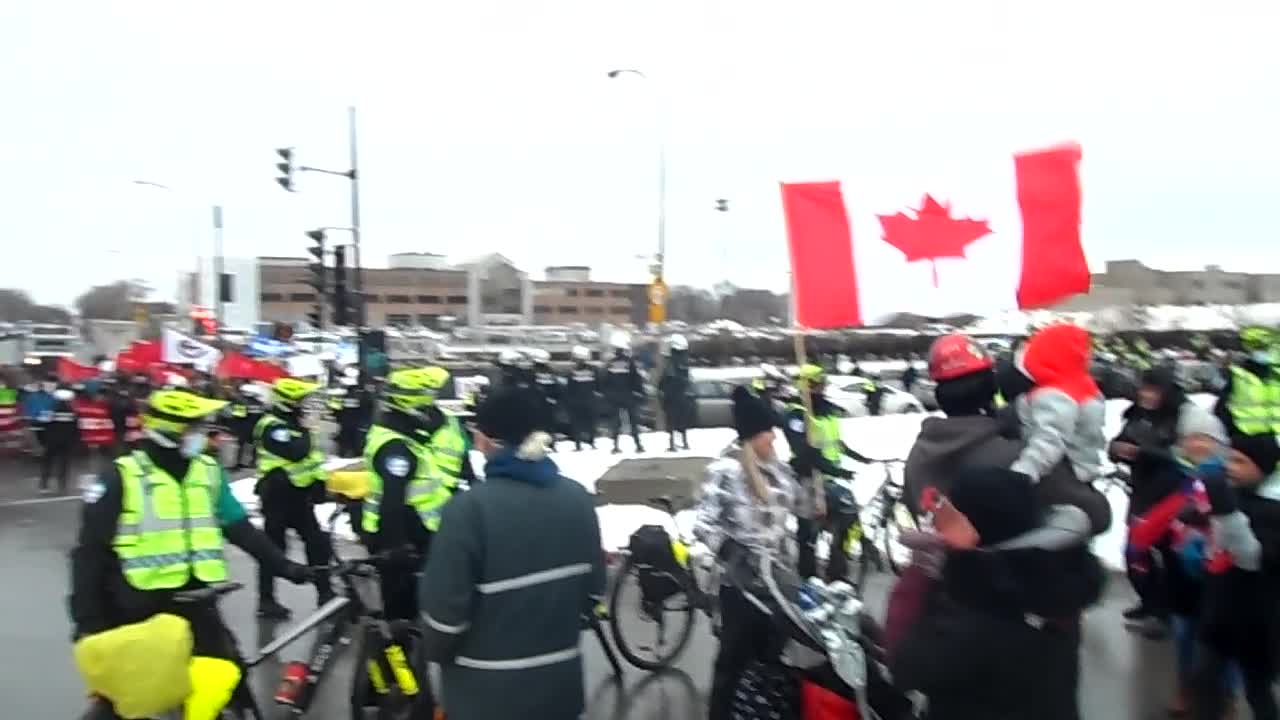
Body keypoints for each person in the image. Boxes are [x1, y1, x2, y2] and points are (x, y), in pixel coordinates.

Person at [68, 388, 310, 720]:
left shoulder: (207, 471)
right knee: (126, 698)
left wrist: (284, 567)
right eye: (196, 428)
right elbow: (89, 552)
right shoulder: (121, 477)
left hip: (197, 602)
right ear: (169, 431)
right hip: (139, 606)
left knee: (230, 678)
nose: (207, 435)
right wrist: (88, 619)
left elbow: (239, 527)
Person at [418, 385, 606, 720]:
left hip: (484, 696)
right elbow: (592, 594)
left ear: (488, 441)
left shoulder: (467, 511)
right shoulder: (577, 500)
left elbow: (444, 621)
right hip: (559, 692)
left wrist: (435, 650)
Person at [888, 466, 1105, 720]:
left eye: (951, 519)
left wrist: (918, 575)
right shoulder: (1054, 584)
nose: (941, 528)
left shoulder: (969, 620)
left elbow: (903, 666)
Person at [905, 334, 1111, 537]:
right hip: (1023, 569)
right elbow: (1097, 514)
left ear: (940, 395)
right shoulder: (1020, 457)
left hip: (948, 568)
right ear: (991, 388)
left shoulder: (918, 458)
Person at [693, 385, 796, 720]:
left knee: (769, 663)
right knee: (733, 664)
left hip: (776, 585)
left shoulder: (779, 471)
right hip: (738, 587)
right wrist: (730, 550)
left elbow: (801, 511)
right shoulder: (725, 471)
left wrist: (812, 477)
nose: (774, 440)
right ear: (753, 436)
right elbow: (703, 523)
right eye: (769, 433)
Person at [1109, 365, 1224, 634]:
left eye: (1153, 389)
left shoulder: (1187, 416)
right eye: (1144, 389)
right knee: (1137, 551)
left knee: (1169, 555)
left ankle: (1167, 613)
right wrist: (1116, 449)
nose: (1147, 395)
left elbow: (1194, 456)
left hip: (1174, 494)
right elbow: (1118, 441)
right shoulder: (1139, 414)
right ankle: (1151, 602)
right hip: (1143, 491)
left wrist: (1146, 452)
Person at [361, 368, 459, 622]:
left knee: (410, 609)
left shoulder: (404, 437)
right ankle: (397, 659)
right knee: (401, 616)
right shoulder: (397, 448)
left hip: (409, 530)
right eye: (426, 405)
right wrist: (397, 547)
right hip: (401, 535)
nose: (430, 412)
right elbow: (392, 501)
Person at [1194, 433, 1280, 720]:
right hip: (1220, 613)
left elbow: (1253, 557)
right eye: (1230, 458)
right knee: (1205, 683)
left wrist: (1227, 513)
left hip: (1258, 620)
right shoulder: (1237, 495)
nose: (1231, 466)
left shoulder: (1273, 510)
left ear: (1262, 468)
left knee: (1257, 691)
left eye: (1240, 461)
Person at [782, 363, 872, 581]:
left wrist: (859, 458)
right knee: (808, 535)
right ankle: (808, 578)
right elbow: (805, 452)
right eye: (816, 385)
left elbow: (835, 443)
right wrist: (834, 470)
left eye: (822, 384)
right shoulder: (797, 415)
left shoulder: (827, 410)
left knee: (847, 521)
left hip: (831, 480)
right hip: (809, 480)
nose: (821, 389)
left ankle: (837, 573)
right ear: (806, 386)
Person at [253, 377, 332, 619]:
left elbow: (313, 459)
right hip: (276, 495)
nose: (309, 407)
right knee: (273, 548)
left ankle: (325, 593)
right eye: (304, 402)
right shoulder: (271, 426)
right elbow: (296, 452)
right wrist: (306, 429)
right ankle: (266, 599)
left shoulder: (299, 425)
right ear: (290, 402)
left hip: (299, 496)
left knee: (317, 543)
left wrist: (319, 485)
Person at [1007, 323, 1107, 489]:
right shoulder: (1082, 387)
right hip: (1080, 472)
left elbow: (1050, 439)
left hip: (1059, 477)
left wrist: (1021, 474)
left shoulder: (1055, 395)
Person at [1214, 325, 1280, 438]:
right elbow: (1221, 411)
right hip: (1246, 443)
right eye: (1258, 348)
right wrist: (1234, 437)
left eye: (1265, 348)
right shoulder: (1238, 377)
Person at [601, 331, 646, 454]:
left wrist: (606, 395)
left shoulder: (610, 363)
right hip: (628, 396)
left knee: (615, 422)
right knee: (633, 421)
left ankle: (615, 446)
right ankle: (638, 445)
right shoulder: (629, 362)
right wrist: (641, 393)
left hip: (614, 397)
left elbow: (604, 380)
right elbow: (636, 379)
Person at [40, 386, 78, 495]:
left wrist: (43, 441)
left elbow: (44, 426)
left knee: (48, 463)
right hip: (66, 442)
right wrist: (74, 441)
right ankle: (62, 486)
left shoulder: (50, 410)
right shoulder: (72, 412)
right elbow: (75, 428)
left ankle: (44, 485)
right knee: (64, 464)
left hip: (52, 441)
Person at [659, 333, 694, 451]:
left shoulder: (670, 363)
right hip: (683, 396)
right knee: (682, 420)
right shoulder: (685, 362)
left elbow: (665, 380)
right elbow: (688, 380)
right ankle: (684, 442)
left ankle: (672, 444)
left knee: (671, 421)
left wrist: (662, 391)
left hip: (672, 396)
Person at [563, 345, 599, 451]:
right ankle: (592, 443)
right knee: (590, 422)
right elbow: (597, 385)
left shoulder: (572, 371)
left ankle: (578, 445)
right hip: (590, 400)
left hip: (576, 401)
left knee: (576, 423)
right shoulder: (593, 370)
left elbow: (569, 387)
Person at [529, 348, 561, 443]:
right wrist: (554, 399)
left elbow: (531, 387)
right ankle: (552, 443)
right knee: (550, 423)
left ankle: (538, 443)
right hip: (550, 402)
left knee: (537, 424)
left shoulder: (532, 371)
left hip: (536, 402)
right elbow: (556, 387)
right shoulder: (551, 371)